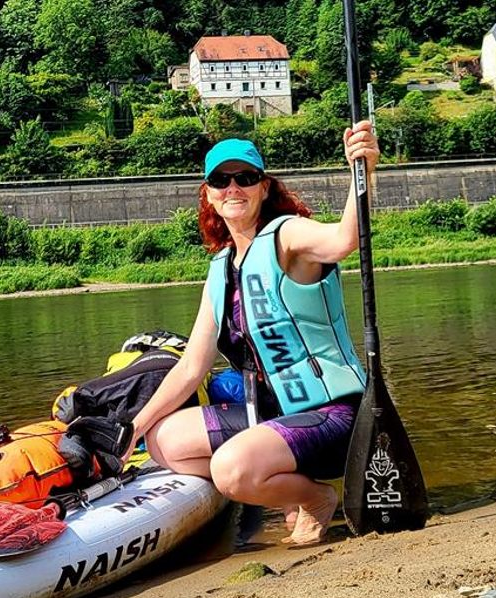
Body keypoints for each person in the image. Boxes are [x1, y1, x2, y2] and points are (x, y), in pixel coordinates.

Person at [131, 122, 380, 545]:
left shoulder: (288, 235)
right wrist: (132, 429)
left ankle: (315, 497)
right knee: (163, 441)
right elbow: (192, 366)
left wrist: (364, 170)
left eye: (245, 178)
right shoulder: (221, 269)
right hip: (269, 415)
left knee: (230, 469)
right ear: (208, 193)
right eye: (220, 180)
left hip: (334, 417)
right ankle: (279, 482)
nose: (233, 188)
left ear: (264, 188)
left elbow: (344, 239)